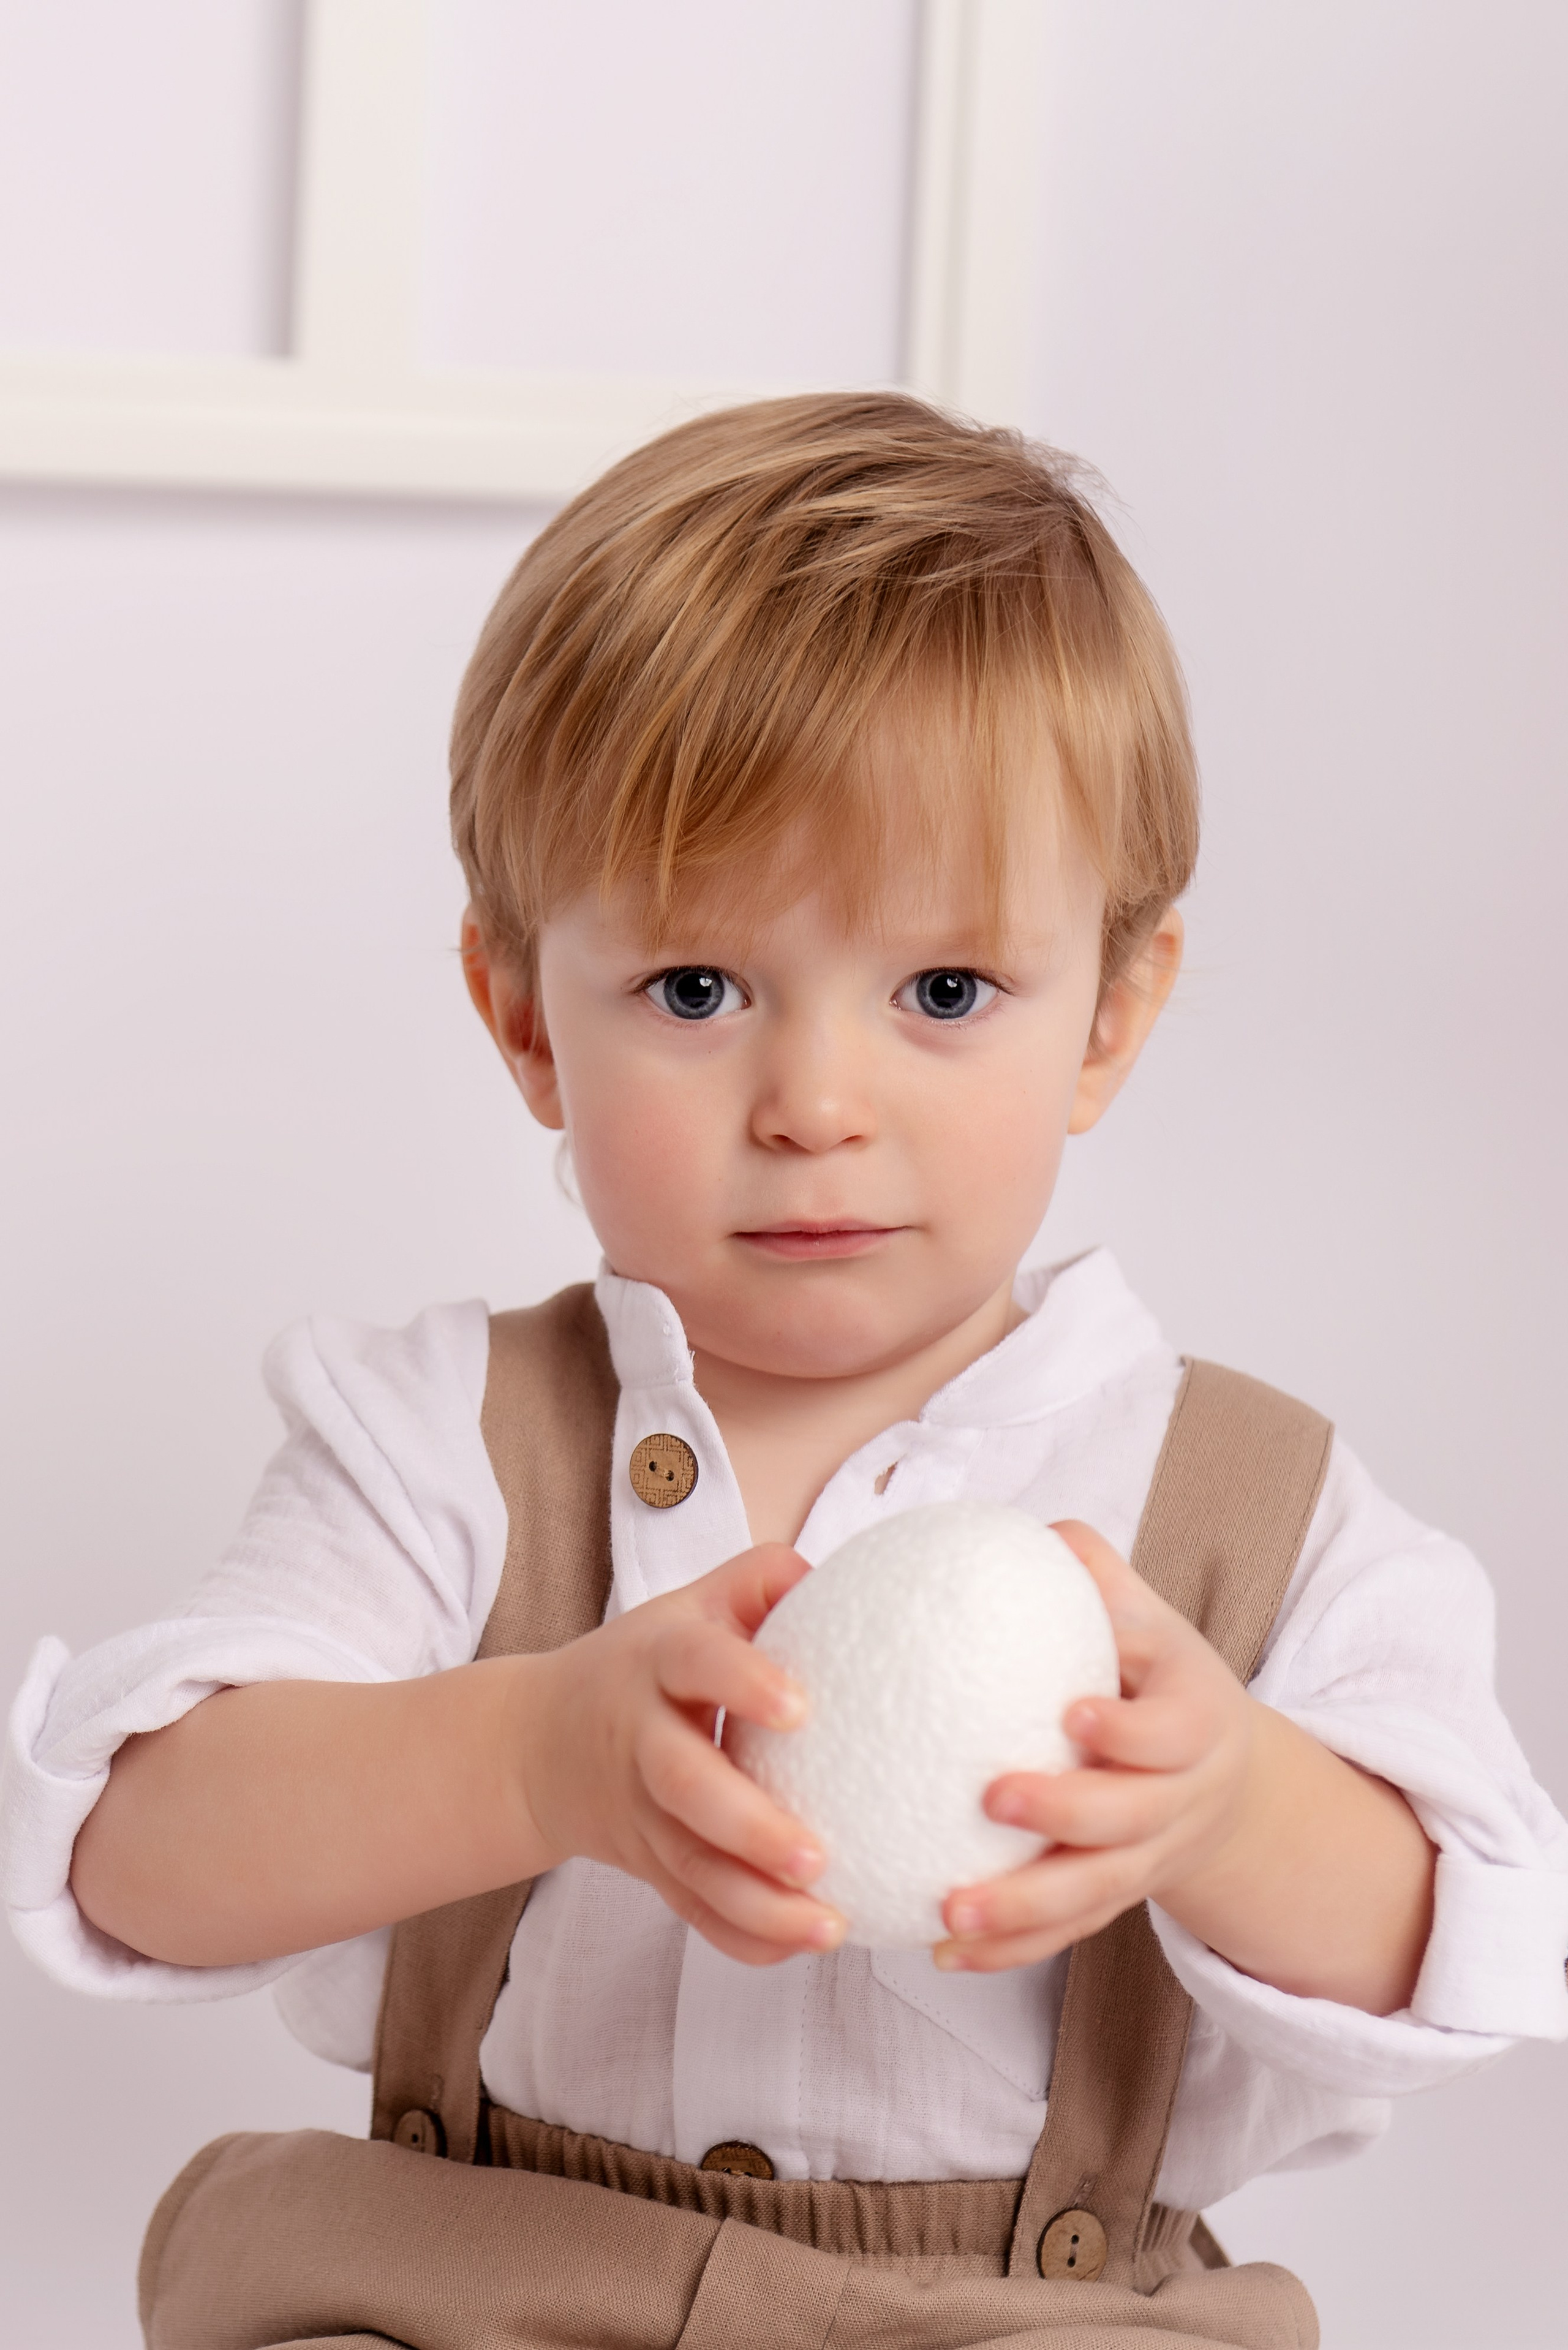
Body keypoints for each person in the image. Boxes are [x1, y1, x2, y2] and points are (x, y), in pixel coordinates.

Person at [4, 391, 1565, 2350]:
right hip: (484, 2283)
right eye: (697, 988)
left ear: (1110, 1014)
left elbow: (1466, 1940)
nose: (816, 1102)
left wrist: (1232, 1803)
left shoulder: (1247, 1504)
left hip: (1025, 2317)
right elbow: (134, 1858)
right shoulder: (444, 1444)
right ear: (526, 1018)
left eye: (944, 990)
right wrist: (530, 1754)